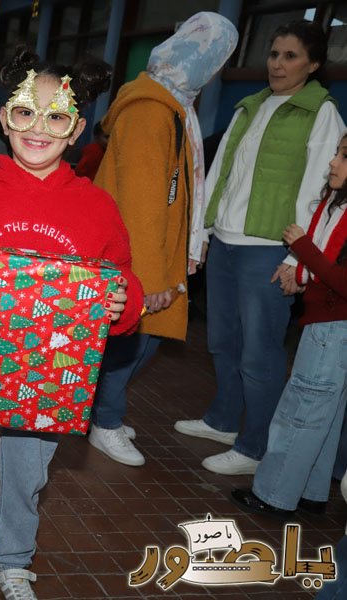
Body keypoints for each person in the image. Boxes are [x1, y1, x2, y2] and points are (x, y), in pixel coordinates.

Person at [0, 49, 143, 599]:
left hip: (50, 384)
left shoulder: (98, 208)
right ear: (4, 117)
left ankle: (13, 561)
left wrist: (119, 302)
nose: (39, 129)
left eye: (56, 117)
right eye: (25, 114)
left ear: (77, 127)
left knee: (27, 481)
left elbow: (122, 277)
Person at [175, 20, 346, 476]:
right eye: (273, 54)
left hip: (270, 248)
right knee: (221, 342)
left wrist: (297, 255)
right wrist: (203, 231)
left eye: (291, 56)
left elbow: (320, 189)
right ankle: (224, 421)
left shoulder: (321, 112)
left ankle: (254, 448)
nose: (278, 64)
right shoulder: (250, 105)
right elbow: (219, 172)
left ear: (312, 64)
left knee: (260, 352)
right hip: (227, 243)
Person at [89, 12, 238, 468]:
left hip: (157, 250)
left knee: (141, 340)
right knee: (130, 340)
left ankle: (103, 413)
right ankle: (104, 421)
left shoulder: (172, 105)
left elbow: (175, 190)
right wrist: (149, 276)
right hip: (141, 254)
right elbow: (141, 201)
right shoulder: (153, 110)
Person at [230, 132, 347, 518]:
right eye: (336, 153)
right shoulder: (335, 204)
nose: (333, 163)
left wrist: (302, 251)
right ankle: (311, 492)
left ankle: (275, 494)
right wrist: (299, 266)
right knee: (324, 415)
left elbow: (342, 281)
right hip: (331, 323)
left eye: (343, 157)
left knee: (302, 410)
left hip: (335, 325)